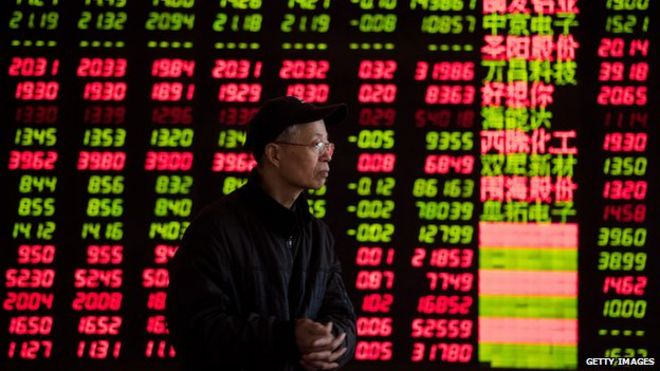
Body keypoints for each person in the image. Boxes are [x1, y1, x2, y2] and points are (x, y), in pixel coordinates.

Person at [167, 96, 357, 371]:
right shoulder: (215, 229)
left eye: (328, 145)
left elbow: (343, 316)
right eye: (316, 144)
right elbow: (195, 329)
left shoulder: (318, 235)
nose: (327, 154)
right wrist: (286, 337)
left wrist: (334, 345)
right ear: (274, 154)